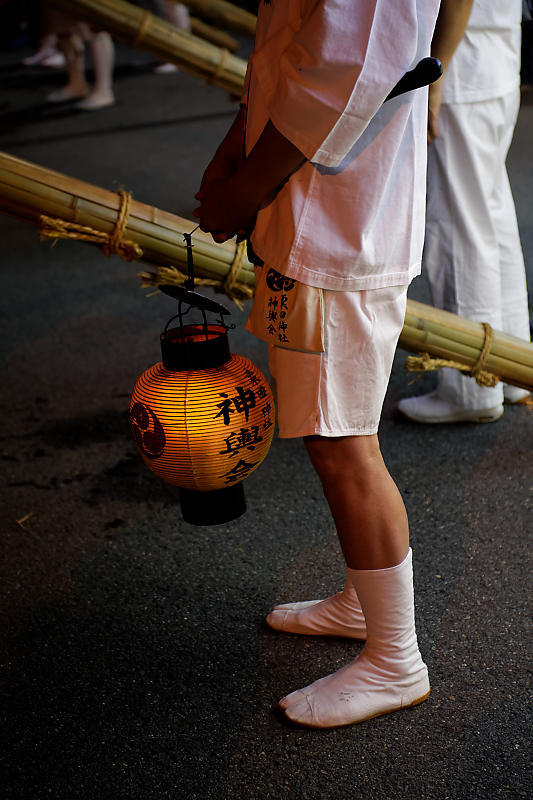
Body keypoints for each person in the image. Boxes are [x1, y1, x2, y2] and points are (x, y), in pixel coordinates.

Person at [194, 0, 469, 729]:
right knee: (327, 434)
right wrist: (236, 152)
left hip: (340, 223)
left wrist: (245, 184)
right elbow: (290, 55)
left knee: (343, 441)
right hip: (311, 212)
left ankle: (395, 659)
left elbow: (347, 73)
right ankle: (361, 602)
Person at [397, 0, 531, 424]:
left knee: (458, 227)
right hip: (494, 58)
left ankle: (470, 388)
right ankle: (508, 370)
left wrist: (436, 70)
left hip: (460, 67)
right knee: (491, 215)